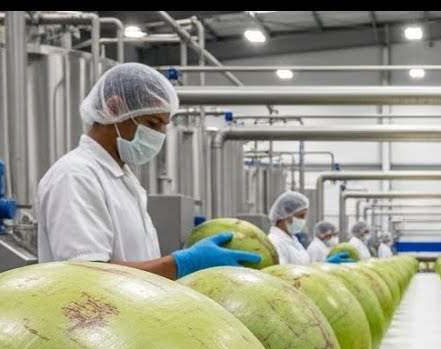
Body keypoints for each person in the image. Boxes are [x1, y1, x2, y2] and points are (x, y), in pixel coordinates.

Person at [36, 63, 257, 279]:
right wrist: (182, 264)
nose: (159, 135)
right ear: (114, 108)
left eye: (163, 126)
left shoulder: (122, 179)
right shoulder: (75, 176)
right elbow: (86, 274)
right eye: (152, 123)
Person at [268, 191, 315, 264]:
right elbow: (280, 270)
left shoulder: (293, 240)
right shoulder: (275, 242)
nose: (303, 220)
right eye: (301, 216)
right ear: (286, 215)